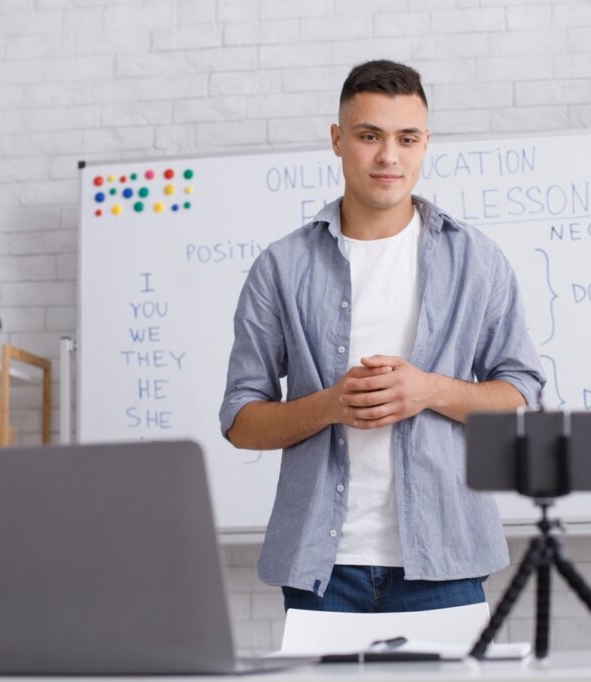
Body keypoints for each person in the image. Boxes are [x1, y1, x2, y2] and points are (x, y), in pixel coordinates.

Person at [220, 60, 544, 613]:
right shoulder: (281, 267)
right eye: (369, 136)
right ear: (338, 140)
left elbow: (522, 397)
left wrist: (430, 391)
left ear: (425, 145)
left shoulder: (476, 260)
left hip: (447, 560)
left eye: (406, 138)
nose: (388, 156)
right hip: (321, 570)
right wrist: (329, 405)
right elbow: (240, 421)